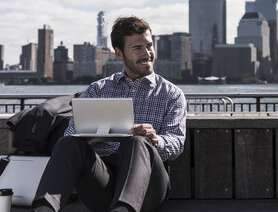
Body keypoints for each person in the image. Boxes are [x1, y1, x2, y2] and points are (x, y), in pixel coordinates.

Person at [31, 16, 187, 212]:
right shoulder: (98, 89)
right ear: (119, 54)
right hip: (103, 185)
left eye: (149, 46)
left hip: (148, 188)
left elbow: (176, 144)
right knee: (67, 142)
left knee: (139, 141)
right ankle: (44, 209)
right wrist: (92, 133)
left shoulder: (172, 94)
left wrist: (155, 140)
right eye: (137, 48)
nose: (147, 53)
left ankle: (124, 208)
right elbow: (70, 134)